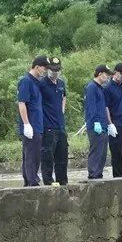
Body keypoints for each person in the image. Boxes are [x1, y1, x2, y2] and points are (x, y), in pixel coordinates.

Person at [17, 55, 49, 187]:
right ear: (37, 67)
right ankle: (31, 181)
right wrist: (26, 124)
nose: (45, 71)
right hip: (31, 125)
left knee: (35, 154)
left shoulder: (36, 82)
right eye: (44, 68)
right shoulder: (26, 81)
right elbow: (22, 103)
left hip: (38, 124)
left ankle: (30, 180)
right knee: (31, 155)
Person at [38, 56, 68, 185]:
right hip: (48, 126)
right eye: (52, 70)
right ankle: (48, 182)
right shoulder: (41, 84)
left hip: (60, 125)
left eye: (57, 70)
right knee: (47, 156)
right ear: (47, 69)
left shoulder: (61, 83)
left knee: (62, 156)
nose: (55, 72)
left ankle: (62, 181)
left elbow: (64, 96)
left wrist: (62, 109)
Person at [84, 65, 112, 180]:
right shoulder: (92, 87)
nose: (107, 77)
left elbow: (103, 107)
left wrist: (108, 124)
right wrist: (96, 122)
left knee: (102, 153)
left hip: (103, 124)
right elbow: (91, 106)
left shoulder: (101, 88)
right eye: (106, 74)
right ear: (100, 74)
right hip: (95, 125)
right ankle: (93, 175)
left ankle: (99, 174)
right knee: (96, 151)